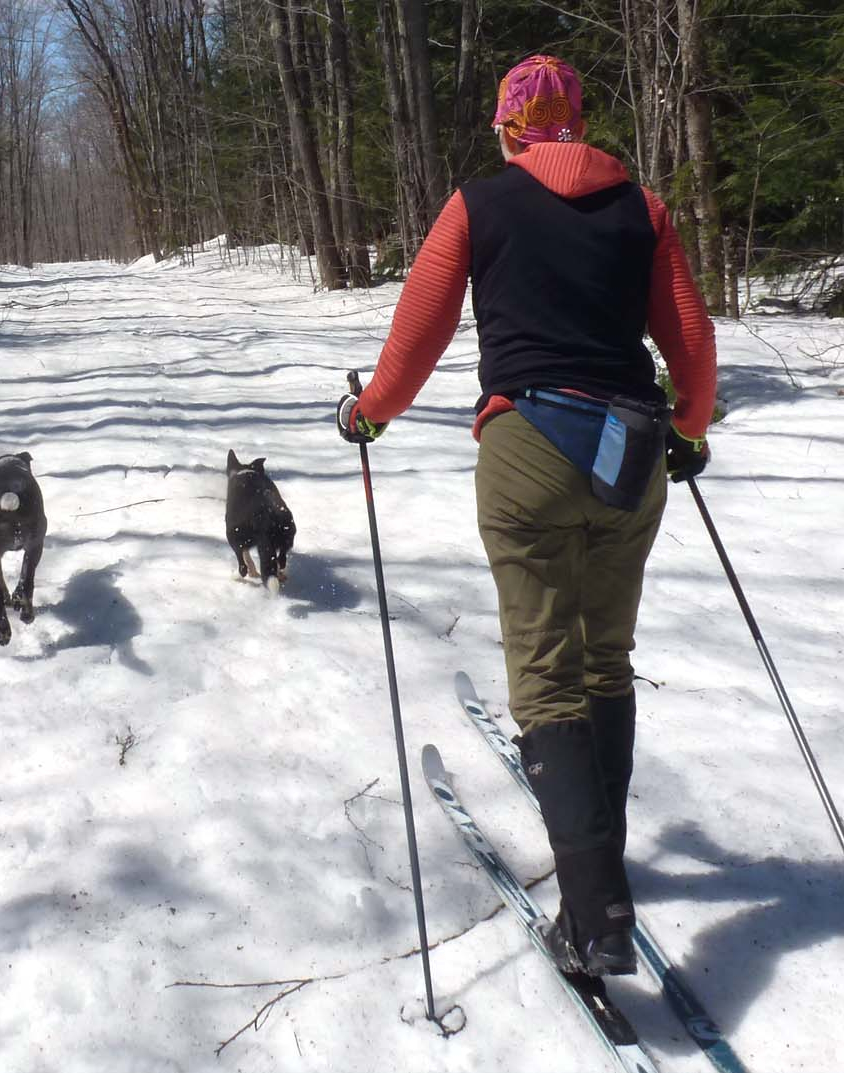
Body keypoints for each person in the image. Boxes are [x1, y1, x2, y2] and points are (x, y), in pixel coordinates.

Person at [336, 55, 717, 977]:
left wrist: (369, 413)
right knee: (605, 660)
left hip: (528, 449)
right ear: (578, 124)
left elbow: (417, 336)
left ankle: (595, 916)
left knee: (547, 679)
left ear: (507, 129)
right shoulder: (643, 207)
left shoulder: (480, 204)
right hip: (630, 453)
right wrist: (689, 429)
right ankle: (602, 871)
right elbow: (694, 345)